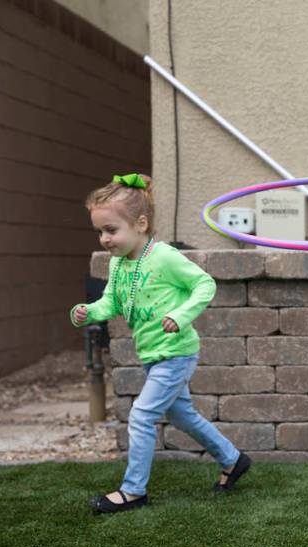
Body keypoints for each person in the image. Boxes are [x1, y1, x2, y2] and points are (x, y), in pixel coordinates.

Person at [71, 173, 251, 514]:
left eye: (111, 230)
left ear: (140, 224)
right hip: (153, 355)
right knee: (183, 416)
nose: (105, 238)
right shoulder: (119, 263)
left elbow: (204, 285)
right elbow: (110, 303)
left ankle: (133, 491)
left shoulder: (164, 257)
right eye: (100, 231)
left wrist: (182, 316)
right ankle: (233, 459)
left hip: (176, 353)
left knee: (141, 415)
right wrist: (87, 311)